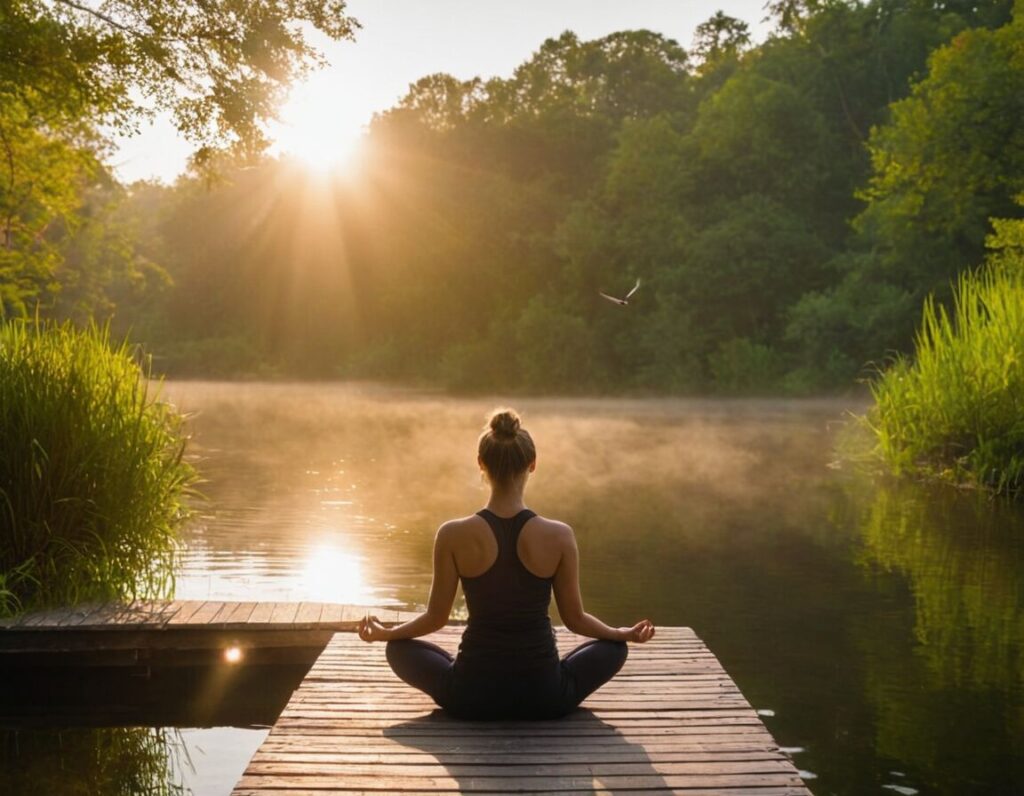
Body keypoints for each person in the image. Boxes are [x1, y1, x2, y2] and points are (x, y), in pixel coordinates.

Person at [357, 407, 656, 719]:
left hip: (470, 696)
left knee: (399, 649)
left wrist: (385, 634)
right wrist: (622, 633)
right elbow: (576, 620)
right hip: (545, 696)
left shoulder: (452, 534)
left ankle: (456, 677)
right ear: (533, 464)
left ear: (481, 463)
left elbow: (435, 618)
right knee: (613, 648)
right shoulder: (559, 535)